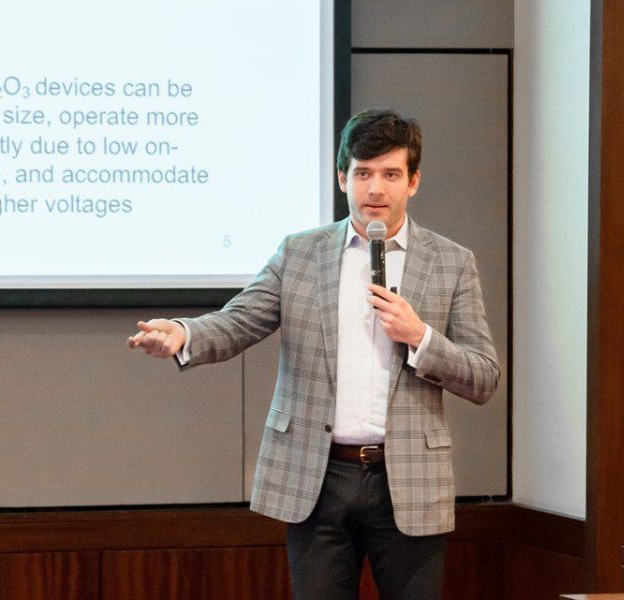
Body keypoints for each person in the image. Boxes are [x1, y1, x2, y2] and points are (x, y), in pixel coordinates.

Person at [128, 109, 499, 600]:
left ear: (413, 182)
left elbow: (484, 376)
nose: (375, 190)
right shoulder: (300, 253)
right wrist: (182, 331)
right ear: (342, 176)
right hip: (318, 476)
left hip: (408, 478)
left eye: (390, 175)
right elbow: (239, 319)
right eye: (363, 173)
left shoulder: (451, 262)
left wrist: (421, 336)